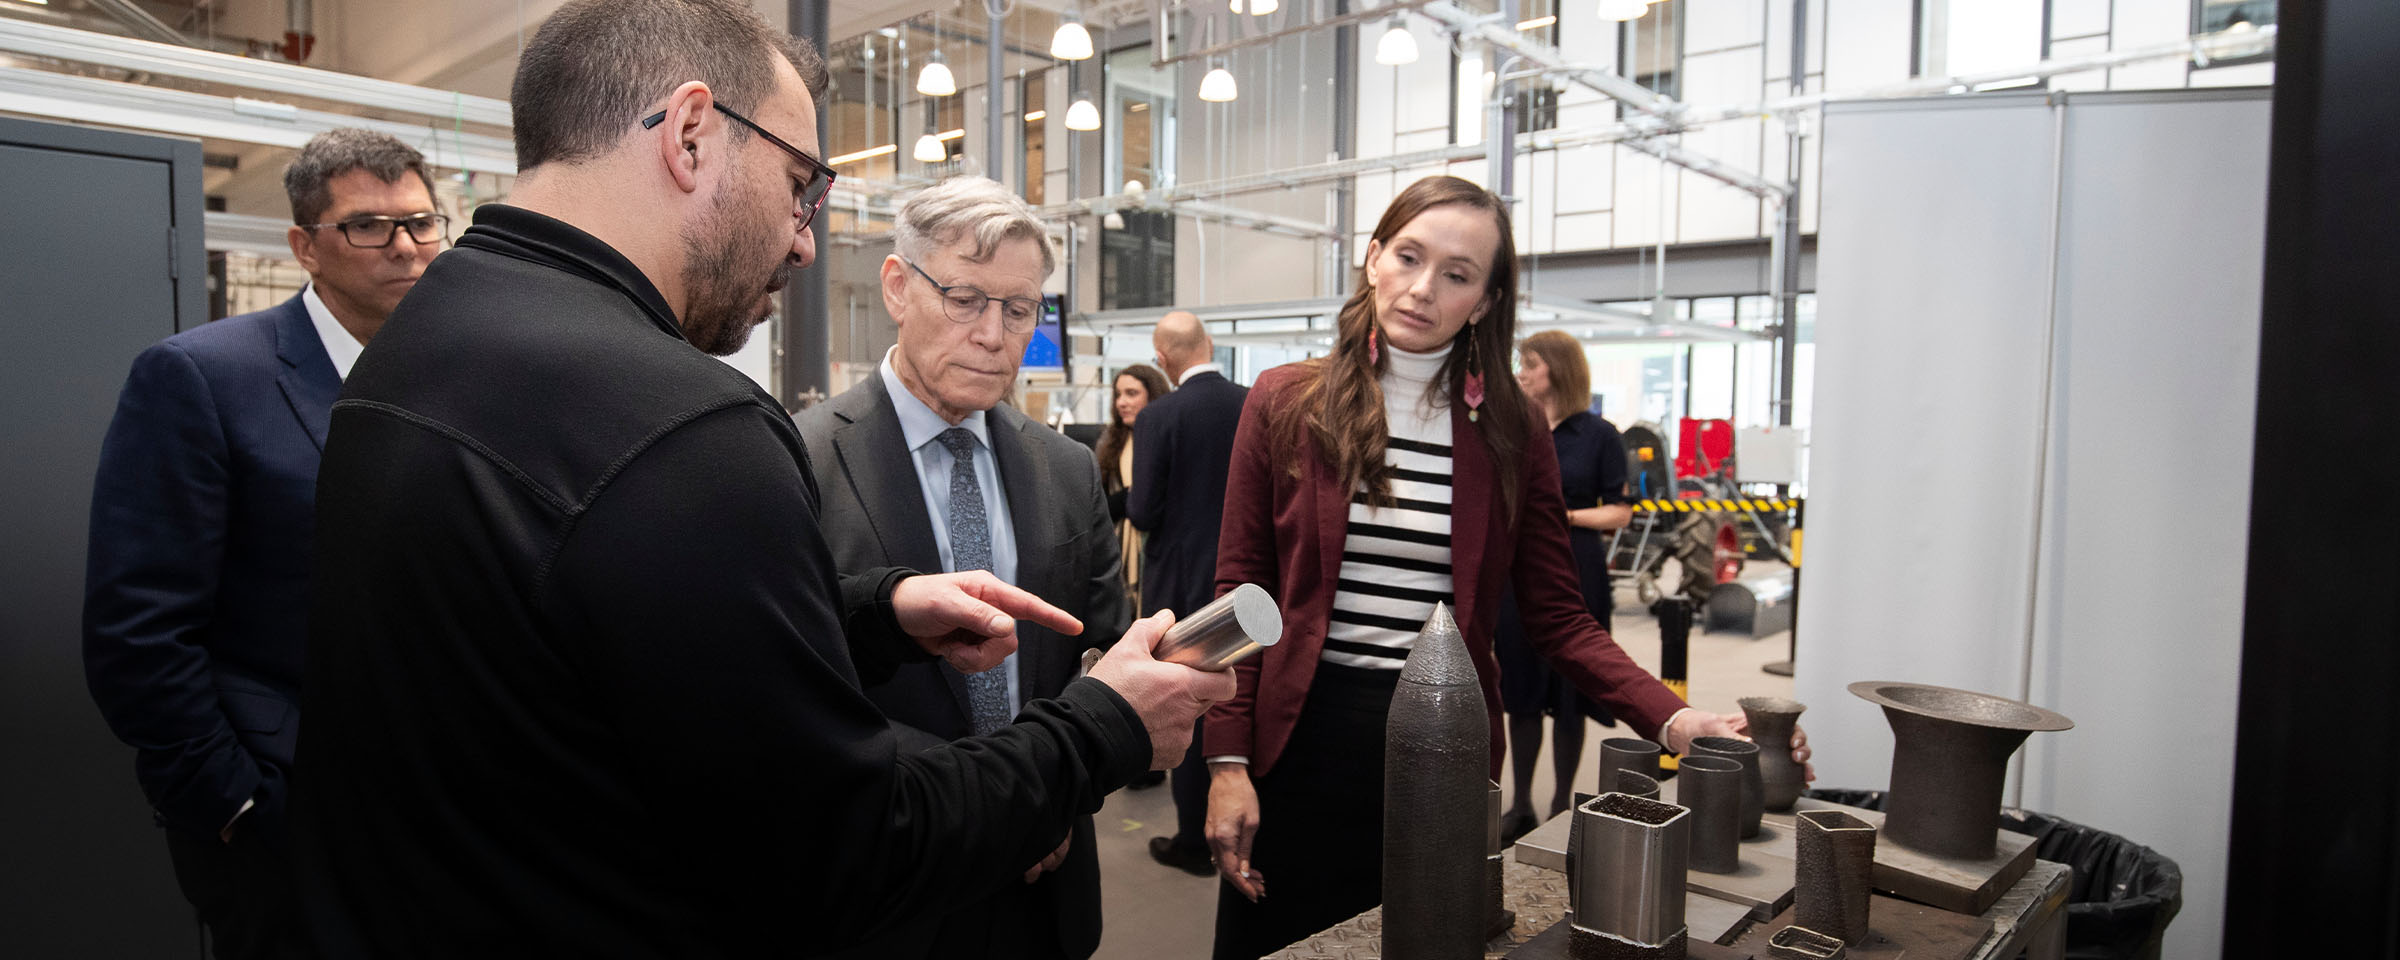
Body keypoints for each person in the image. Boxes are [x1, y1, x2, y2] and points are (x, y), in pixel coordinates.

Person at [289, 2, 1232, 955]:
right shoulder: (684, 427)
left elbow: (612, 639)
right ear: (692, 134)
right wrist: (1101, 725)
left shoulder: (426, 338)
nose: (804, 239)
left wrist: (868, 612)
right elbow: (848, 849)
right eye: (800, 183)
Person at [1200, 175, 1810, 960]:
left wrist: (1675, 717)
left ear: (1485, 300)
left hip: (1444, 749)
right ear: (1373, 256)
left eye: (1456, 275)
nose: (1422, 289)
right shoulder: (1287, 402)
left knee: (1424, 941)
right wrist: (1227, 761)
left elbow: (1559, 618)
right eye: (1409, 257)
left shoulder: (1512, 430)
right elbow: (1239, 594)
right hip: (1298, 742)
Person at [82, 128, 446, 959]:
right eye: (368, 225)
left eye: (422, 222)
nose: (404, 247)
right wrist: (233, 806)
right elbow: (137, 629)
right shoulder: (204, 377)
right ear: (303, 246)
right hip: (283, 817)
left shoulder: (452, 378)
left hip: (435, 819)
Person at [794, 175, 1130, 960]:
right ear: (898, 287)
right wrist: (992, 805)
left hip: (1050, 879)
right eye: (966, 299)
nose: (994, 335)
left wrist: (1053, 794)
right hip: (891, 877)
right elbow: (801, 689)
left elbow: (1099, 649)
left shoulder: (1065, 467)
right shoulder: (799, 459)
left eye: (1019, 310)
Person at [1494, 330, 1637, 842]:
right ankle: (1522, 804)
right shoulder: (1514, 428)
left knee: (1570, 690)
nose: (1522, 373)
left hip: (1578, 566)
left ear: (1556, 369)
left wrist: (1562, 514)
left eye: (1530, 365)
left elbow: (1620, 512)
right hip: (1518, 570)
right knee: (1522, 691)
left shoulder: (1599, 436)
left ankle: (1560, 807)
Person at [1129, 310, 1251, 877]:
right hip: (1249, 584)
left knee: (1187, 703)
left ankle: (1189, 839)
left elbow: (1144, 511)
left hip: (1179, 586)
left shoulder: (1159, 417)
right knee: (1241, 698)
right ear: (1210, 343)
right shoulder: (1254, 402)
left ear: (1163, 358)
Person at [1097, 363, 1171, 612]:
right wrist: (1130, 496)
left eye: (1131, 393)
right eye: (1118, 394)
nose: (1121, 402)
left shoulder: (1165, 440)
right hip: (1115, 551)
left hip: (1158, 550)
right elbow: (1098, 506)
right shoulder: (1111, 444)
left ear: (1153, 395)